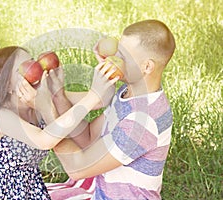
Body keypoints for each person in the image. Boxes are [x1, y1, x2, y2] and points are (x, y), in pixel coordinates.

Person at [0, 46, 116, 199]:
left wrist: (107, 66)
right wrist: (91, 97)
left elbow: (103, 99)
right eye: (25, 67)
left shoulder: (43, 97)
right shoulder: (2, 116)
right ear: (7, 85)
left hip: (30, 188)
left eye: (33, 61)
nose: (36, 67)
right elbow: (44, 140)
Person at [47, 19, 176, 200]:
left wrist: (48, 117)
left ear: (147, 67)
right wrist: (58, 97)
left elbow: (78, 167)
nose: (114, 59)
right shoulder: (129, 93)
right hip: (101, 191)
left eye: (123, 56)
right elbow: (89, 137)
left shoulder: (142, 121)